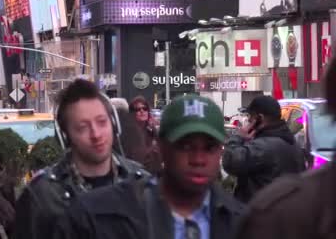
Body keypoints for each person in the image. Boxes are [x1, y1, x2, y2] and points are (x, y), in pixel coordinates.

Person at [54, 95, 245, 239]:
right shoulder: (98, 216)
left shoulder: (245, 223)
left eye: (209, 148)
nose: (198, 159)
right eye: (185, 147)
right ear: (162, 147)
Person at [14, 79, 148, 239]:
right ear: (65, 136)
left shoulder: (141, 182)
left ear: (114, 124)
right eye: (83, 127)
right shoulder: (41, 196)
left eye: (102, 122)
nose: (96, 134)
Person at [234, 58, 336, 239]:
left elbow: (233, 161)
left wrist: (238, 138)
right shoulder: (281, 211)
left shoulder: (279, 207)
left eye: (251, 118)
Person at [222, 95, 306, 203]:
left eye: (250, 116)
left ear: (260, 118)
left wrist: (238, 137)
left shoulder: (262, 147)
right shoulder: (293, 144)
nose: (248, 120)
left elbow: (230, 161)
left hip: (259, 213)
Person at [129, 96, 162, 174]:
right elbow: (138, 158)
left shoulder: (151, 130)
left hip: (156, 176)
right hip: (140, 176)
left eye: (145, 108)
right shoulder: (130, 133)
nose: (142, 111)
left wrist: (154, 130)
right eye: (137, 109)